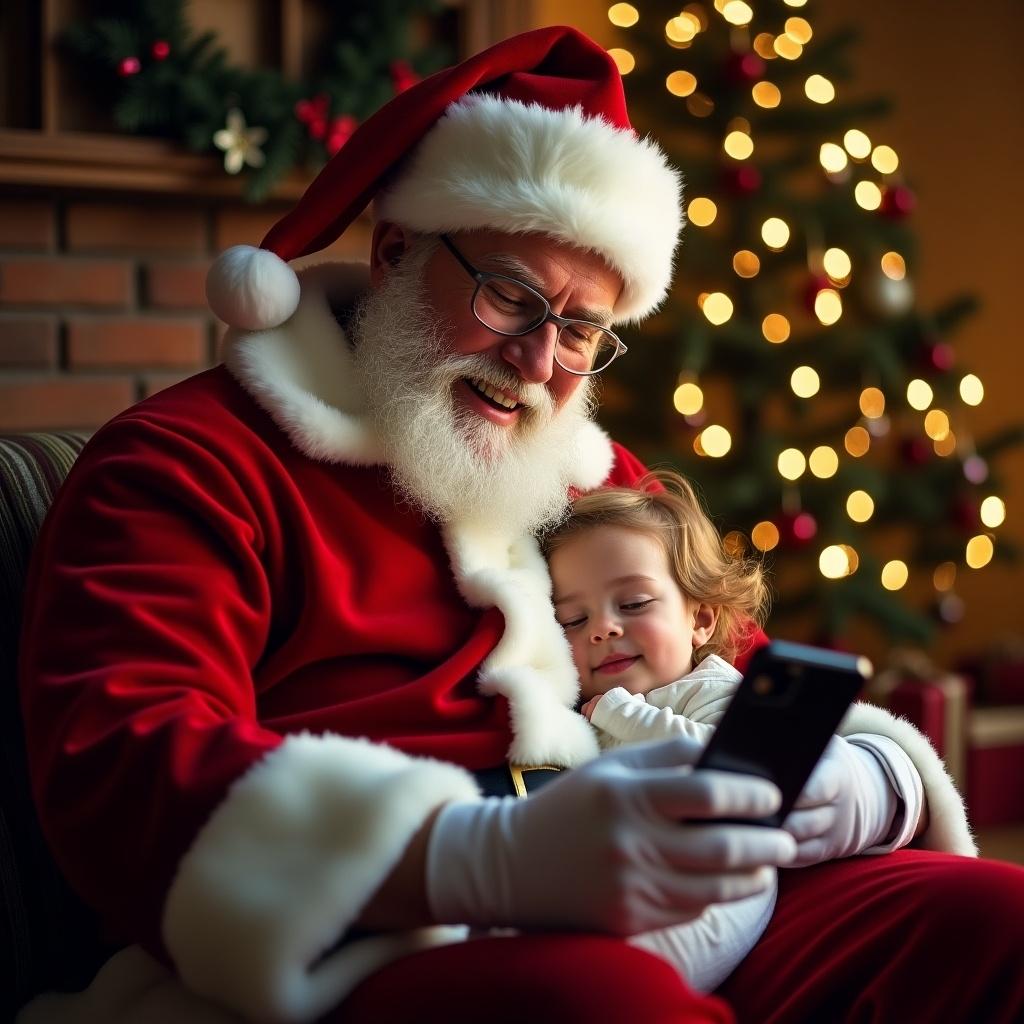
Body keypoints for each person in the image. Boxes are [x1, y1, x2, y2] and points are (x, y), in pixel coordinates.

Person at [16, 24, 1024, 1024]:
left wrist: (864, 776)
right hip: (372, 940)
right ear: (397, 252)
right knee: (598, 1001)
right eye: (512, 297)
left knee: (993, 920)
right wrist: (480, 855)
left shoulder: (594, 476)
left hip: (684, 906)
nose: (540, 362)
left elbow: (725, 663)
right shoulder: (188, 462)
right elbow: (125, 765)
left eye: (582, 328)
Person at [543, 471, 934, 994]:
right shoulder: (574, 713)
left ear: (700, 619)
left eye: (633, 604)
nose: (602, 628)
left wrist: (621, 714)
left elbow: (722, 766)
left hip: (716, 893)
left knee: (615, 979)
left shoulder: (715, 691)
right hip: (628, 877)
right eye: (572, 619)